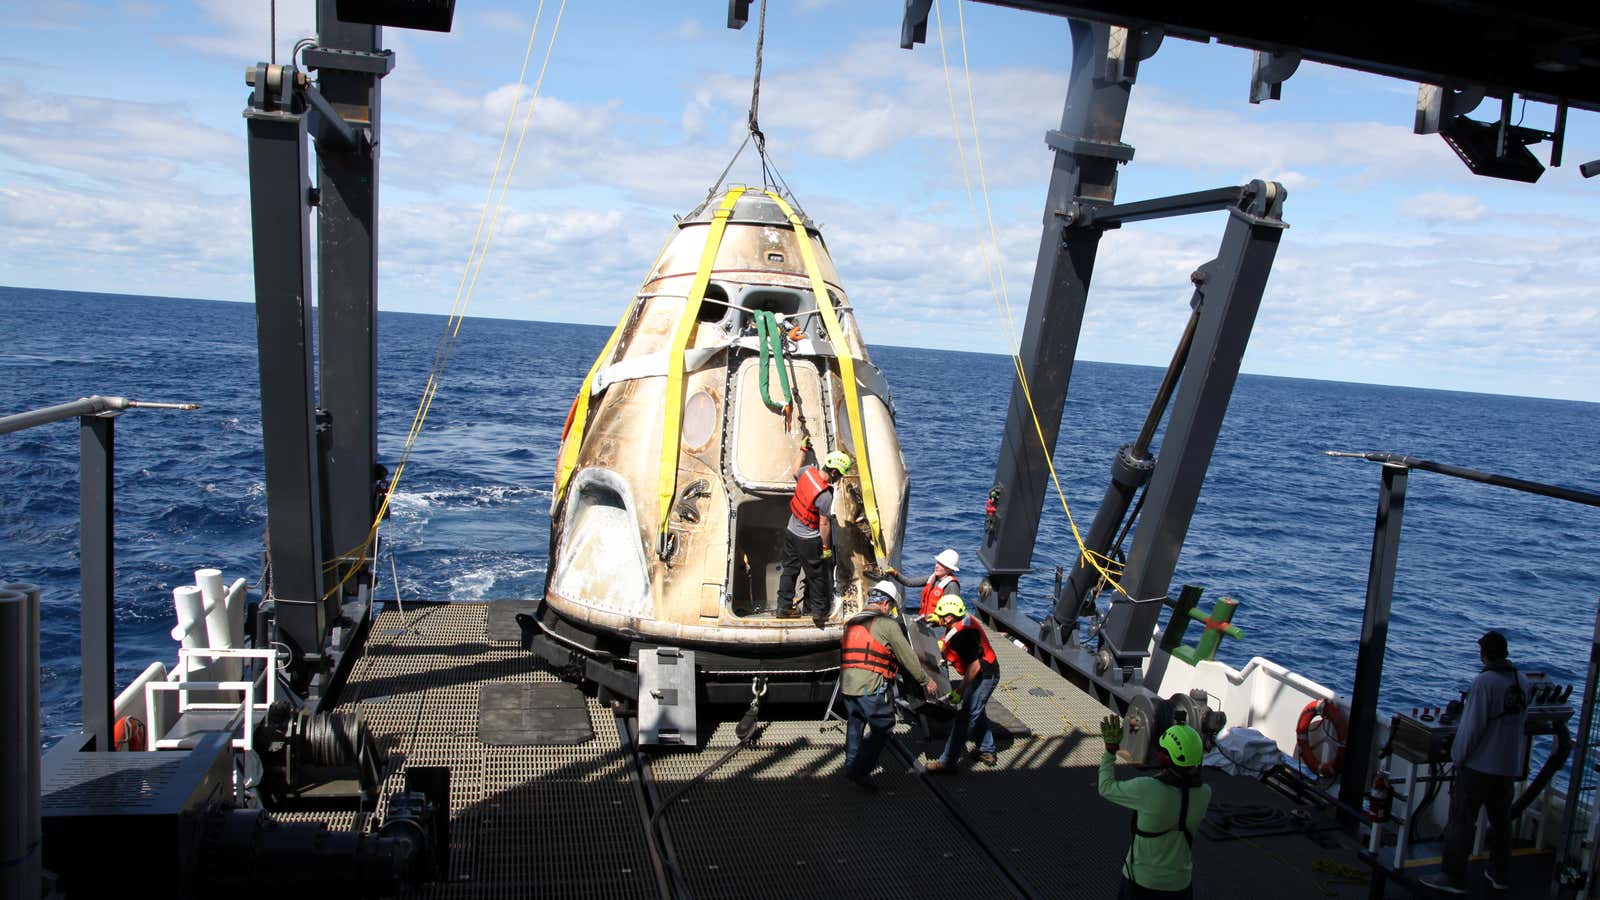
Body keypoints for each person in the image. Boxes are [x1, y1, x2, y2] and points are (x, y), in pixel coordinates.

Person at [1423, 630, 1530, 896]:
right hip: (1507, 766)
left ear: (1485, 654)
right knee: (1502, 822)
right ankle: (1499, 873)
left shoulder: (1485, 683)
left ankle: (1454, 876)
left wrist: (1458, 757)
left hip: (1479, 766)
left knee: (1461, 821)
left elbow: (1472, 727)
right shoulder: (1523, 681)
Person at [1097, 716, 1213, 899]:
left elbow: (1105, 787)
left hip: (1141, 883)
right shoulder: (1204, 793)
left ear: (1167, 758)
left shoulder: (1147, 788)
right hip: (1180, 885)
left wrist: (1111, 751)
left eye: (1162, 750)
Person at [840, 581, 938, 791]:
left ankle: (850, 764)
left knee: (855, 724)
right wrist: (925, 680)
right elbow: (907, 657)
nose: (891, 611)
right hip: (870, 687)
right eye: (891, 607)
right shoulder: (887, 624)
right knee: (883, 727)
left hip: (848, 685)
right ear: (885, 604)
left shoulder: (852, 621)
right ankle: (859, 770)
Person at [776, 438, 851, 627]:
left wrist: (803, 450)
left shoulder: (807, 472)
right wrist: (826, 547)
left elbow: (795, 471)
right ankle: (819, 613)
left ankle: (784, 607)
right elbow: (824, 524)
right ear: (834, 472)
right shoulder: (825, 495)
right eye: (840, 475)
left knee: (789, 570)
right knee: (816, 575)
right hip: (808, 539)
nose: (839, 478)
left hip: (791, 531)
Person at [922, 596, 1002, 772]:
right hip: (982, 672)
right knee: (976, 711)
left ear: (949, 617)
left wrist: (960, 689)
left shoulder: (963, 636)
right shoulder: (964, 618)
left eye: (940, 615)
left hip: (984, 675)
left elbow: (974, 666)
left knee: (964, 719)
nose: (939, 617)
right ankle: (987, 749)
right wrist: (937, 619)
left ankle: (947, 762)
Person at [887, 548, 961, 618]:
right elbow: (909, 582)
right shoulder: (932, 578)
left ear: (949, 569)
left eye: (941, 565)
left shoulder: (952, 586)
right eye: (938, 562)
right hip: (924, 619)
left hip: (939, 625)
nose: (937, 566)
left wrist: (938, 619)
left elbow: (952, 612)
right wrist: (894, 573)